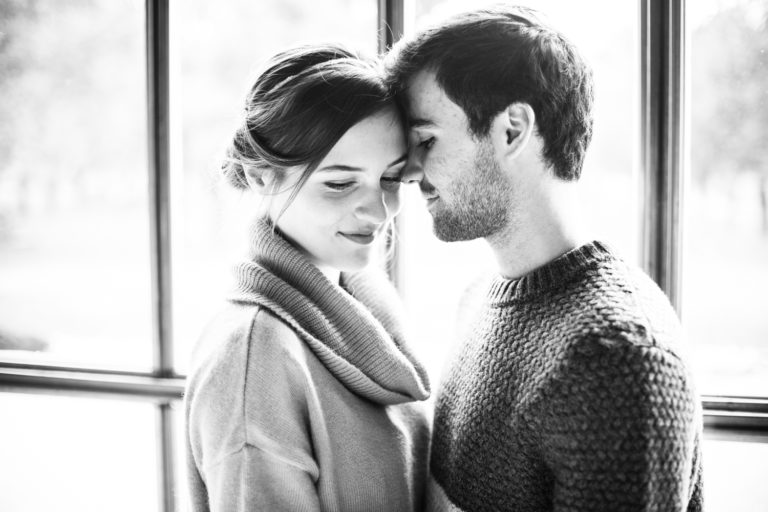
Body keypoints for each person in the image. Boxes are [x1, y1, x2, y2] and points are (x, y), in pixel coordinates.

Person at [386, 6, 703, 512]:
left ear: (512, 130)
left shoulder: (618, 358)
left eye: (426, 140)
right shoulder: (478, 299)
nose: (408, 171)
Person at [184, 44, 431, 512]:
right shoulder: (252, 364)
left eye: (391, 179)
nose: (379, 211)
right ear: (261, 176)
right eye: (339, 183)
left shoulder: (371, 313)